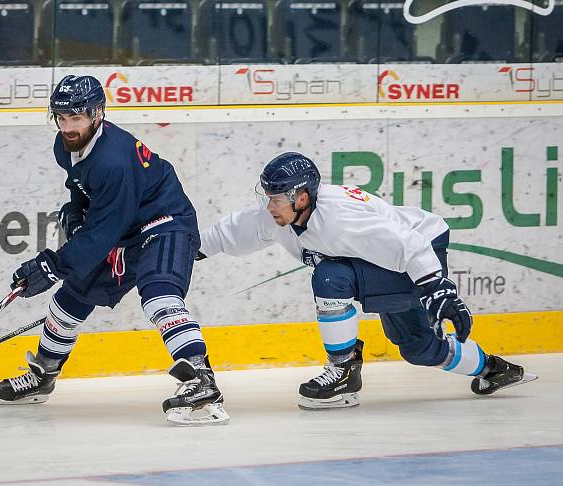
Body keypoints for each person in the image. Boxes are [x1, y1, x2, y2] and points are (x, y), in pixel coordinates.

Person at [198, 151, 536, 410]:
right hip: (396, 261)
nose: (269, 206)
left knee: (332, 277)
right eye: (268, 196)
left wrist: (438, 290)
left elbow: (409, 245)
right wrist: (176, 252)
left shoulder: (340, 220)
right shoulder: (277, 216)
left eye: (276, 198)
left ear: (301, 198)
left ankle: (344, 370)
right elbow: (225, 234)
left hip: (422, 253)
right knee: (421, 349)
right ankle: (494, 369)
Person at [0, 75, 228, 426]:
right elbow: (86, 191)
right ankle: (44, 375)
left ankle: (201, 381)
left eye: (77, 118)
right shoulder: (65, 146)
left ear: (97, 114)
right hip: (126, 227)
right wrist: (76, 207)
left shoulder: (113, 160)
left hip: (166, 222)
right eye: (62, 117)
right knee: (67, 301)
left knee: (159, 295)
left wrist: (53, 264)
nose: (69, 126)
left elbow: (103, 233)